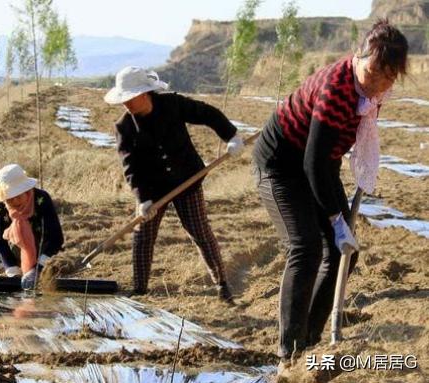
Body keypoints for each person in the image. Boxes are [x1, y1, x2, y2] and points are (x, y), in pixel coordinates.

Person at [251, 20, 408, 369]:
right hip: (280, 164)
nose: (378, 83)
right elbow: (312, 161)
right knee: (306, 246)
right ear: (359, 57)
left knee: (344, 253)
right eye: (373, 72)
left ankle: (311, 339)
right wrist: (335, 218)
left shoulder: (373, 91)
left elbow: (327, 159)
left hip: (320, 164)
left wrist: (340, 224)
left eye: (388, 77)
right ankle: (289, 351)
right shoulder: (337, 87)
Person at [104, 66, 245, 303]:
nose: (126, 104)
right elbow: (131, 167)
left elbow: (208, 113)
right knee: (143, 235)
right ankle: (140, 289)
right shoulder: (124, 127)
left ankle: (222, 285)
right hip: (153, 190)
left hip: (186, 179)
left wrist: (231, 135)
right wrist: (142, 200)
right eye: (123, 99)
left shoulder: (172, 105)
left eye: (130, 98)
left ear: (145, 94)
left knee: (200, 231)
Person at [0, 164, 64, 289]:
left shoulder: (41, 199)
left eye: (18, 196)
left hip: (39, 248)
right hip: (12, 246)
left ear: (26, 190)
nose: (14, 202)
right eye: (9, 198)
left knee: (19, 238)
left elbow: (56, 239)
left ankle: (25, 264)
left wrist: (37, 269)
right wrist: (12, 272)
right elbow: (1, 243)